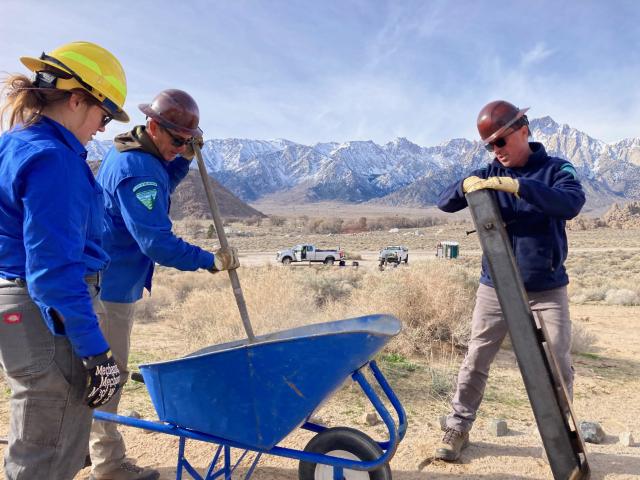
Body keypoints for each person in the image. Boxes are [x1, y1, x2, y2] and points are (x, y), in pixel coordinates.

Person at [89, 89, 239, 480]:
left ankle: (80, 448)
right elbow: (156, 241)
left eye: (187, 142)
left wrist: (182, 159)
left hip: (108, 280)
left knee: (93, 374)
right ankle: (107, 465)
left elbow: (161, 183)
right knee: (108, 376)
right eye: (176, 140)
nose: (180, 147)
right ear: (153, 126)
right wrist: (209, 261)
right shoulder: (138, 169)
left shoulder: (137, 154)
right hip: (110, 288)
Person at [0, 41, 127, 480]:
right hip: (46, 315)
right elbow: (54, 273)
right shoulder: (53, 158)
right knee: (48, 452)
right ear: (77, 99)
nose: (101, 128)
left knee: (38, 438)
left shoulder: (16, 144)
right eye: (103, 115)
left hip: (24, 306)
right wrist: (97, 353)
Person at [435, 100, 585, 462]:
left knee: (558, 363)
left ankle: (560, 437)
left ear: (523, 129)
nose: (496, 151)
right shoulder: (487, 172)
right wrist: (465, 185)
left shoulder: (555, 169)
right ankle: (458, 426)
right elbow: (444, 203)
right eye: (490, 145)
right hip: (495, 287)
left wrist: (520, 188)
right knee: (477, 357)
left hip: (546, 287)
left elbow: (571, 203)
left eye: (501, 142)